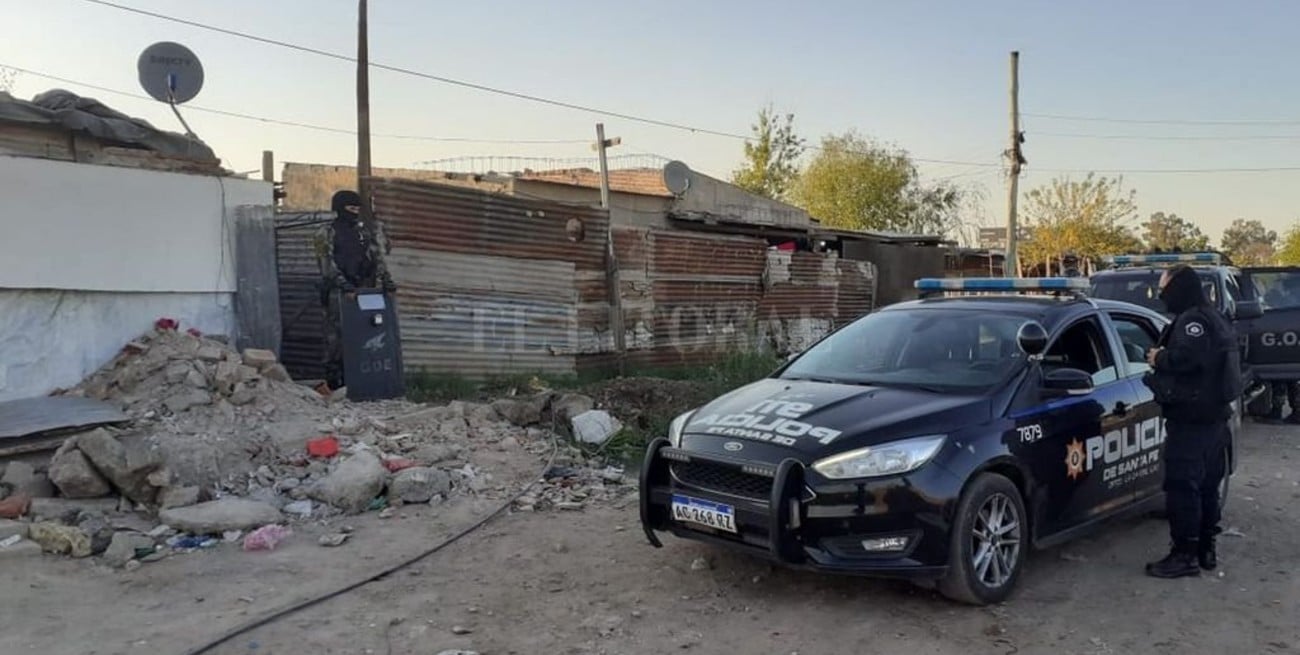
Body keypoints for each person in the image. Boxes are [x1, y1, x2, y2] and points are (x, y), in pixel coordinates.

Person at [1142, 264, 1240, 578]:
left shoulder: (1193, 321)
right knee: (1207, 488)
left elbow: (1188, 358)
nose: (1160, 295)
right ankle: (1204, 549)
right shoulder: (1215, 318)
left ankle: (1184, 555)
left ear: (1179, 288)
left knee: (1183, 488)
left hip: (1192, 420)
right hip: (1214, 420)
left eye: (1163, 289)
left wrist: (1158, 357)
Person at [314, 189, 396, 389]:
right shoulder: (325, 233)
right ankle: (335, 382)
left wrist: (387, 281)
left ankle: (361, 381)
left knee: (364, 335)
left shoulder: (362, 233)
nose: (355, 212)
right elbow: (326, 264)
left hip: (363, 291)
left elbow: (376, 258)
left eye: (357, 208)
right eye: (351, 208)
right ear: (339, 209)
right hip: (337, 293)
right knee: (336, 340)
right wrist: (344, 285)